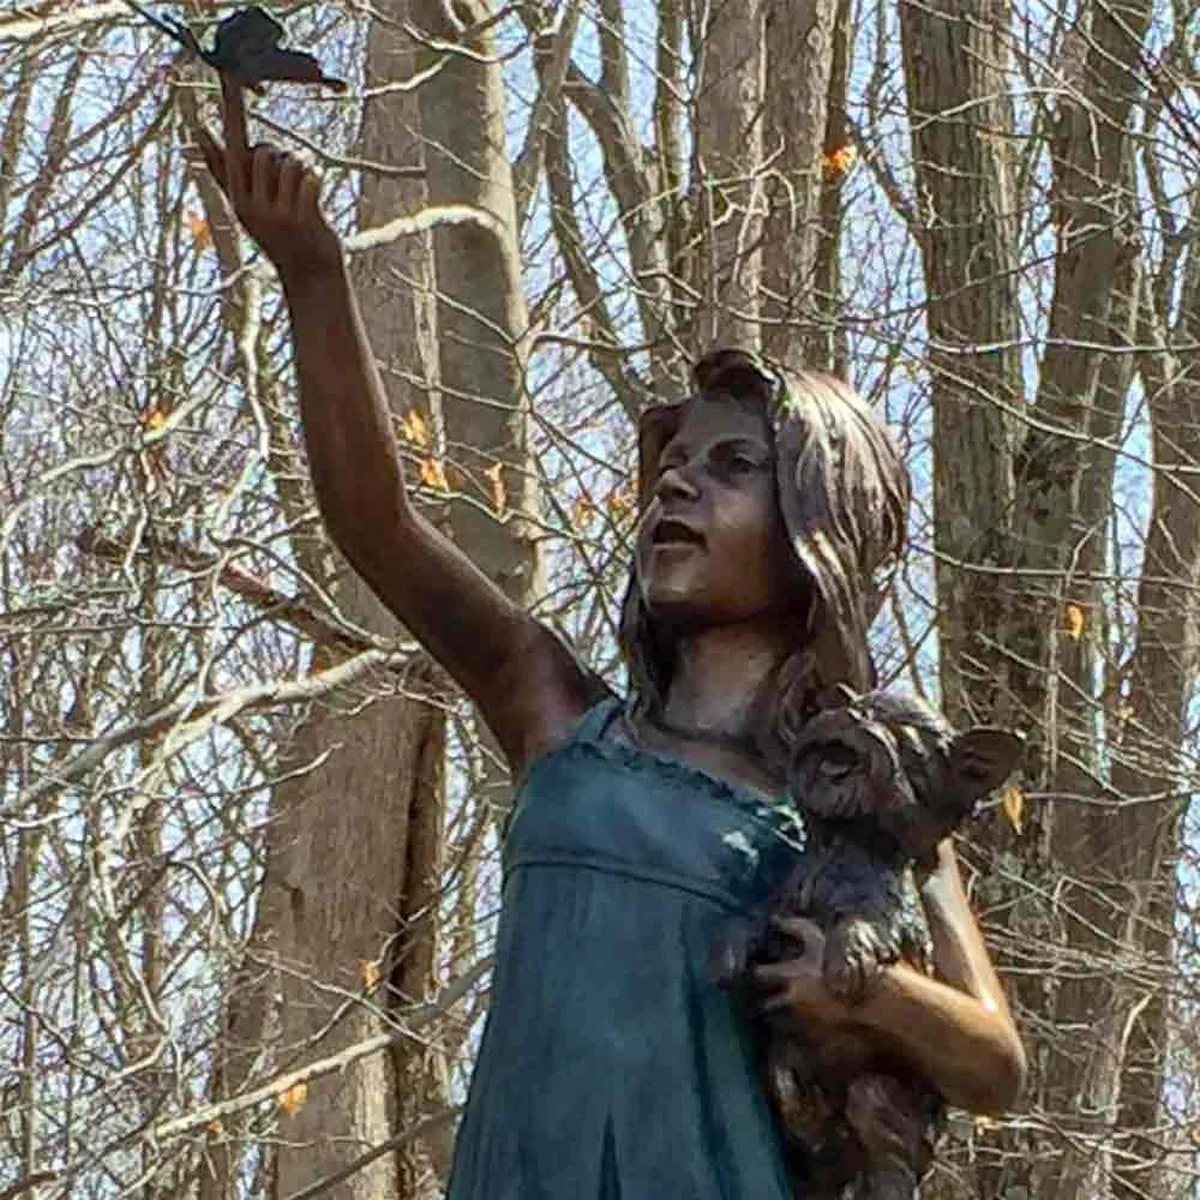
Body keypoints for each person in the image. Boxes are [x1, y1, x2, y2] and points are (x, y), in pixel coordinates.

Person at [198, 81, 1026, 1198]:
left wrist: (867, 991)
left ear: (820, 527)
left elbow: (996, 1059)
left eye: (733, 467)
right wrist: (312, 276)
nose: (678, 482)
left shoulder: (856, 799)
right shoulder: (556, 713)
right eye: (670, 467)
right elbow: (375, 523)